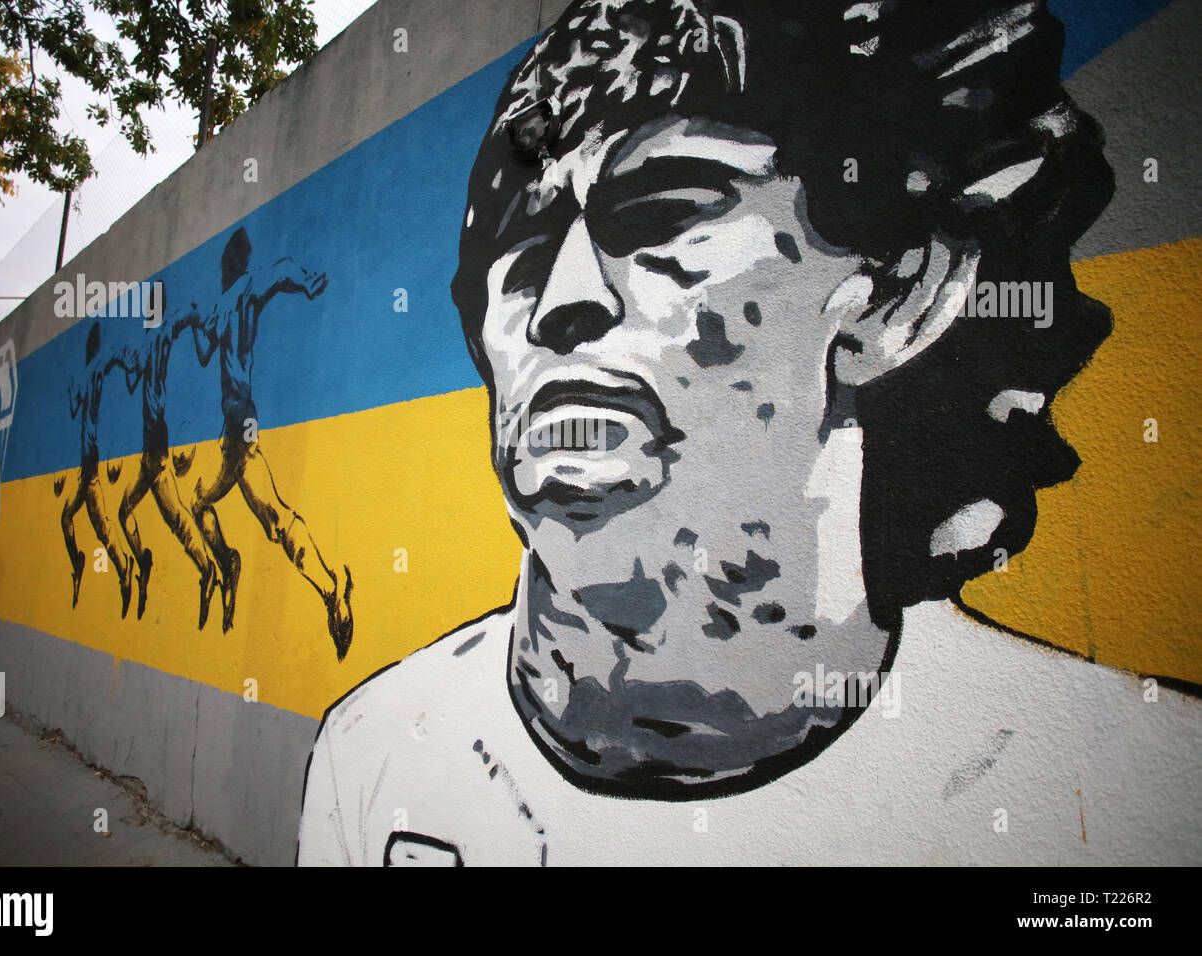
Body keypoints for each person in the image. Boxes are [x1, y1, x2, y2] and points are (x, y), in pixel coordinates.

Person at [299, 0, 1202, 865]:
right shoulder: (380, 755)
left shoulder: (1119, 787)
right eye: (524, 251)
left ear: (900, 293)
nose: (562, 302)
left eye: (661, 212)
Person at [185, 228, 354, 656]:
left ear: (230, 266)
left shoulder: (239, 289)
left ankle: (228, 563)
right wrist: (195, 322)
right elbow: (208, 352)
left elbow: (278, 273)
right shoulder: (229, 301)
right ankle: (332, 589)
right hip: (237, 427)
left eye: (226, 265)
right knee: (271, 519)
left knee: (204, 503)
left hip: (240, 419)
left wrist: (304, 278)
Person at [108, 312, 220, 628]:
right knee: (130, 511)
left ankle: (206, 568)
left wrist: (121, 358)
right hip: (150, 445)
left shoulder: (153, 339)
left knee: (176, 518)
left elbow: (132, 377)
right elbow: (135, 380)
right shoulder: (161, 336)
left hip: (156, 442)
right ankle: (145, 560)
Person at [61, 321, 134, 616]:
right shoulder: (98, 368)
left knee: (101, 528)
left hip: (89, 465)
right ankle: (81, 562)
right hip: (85, 464)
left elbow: (74, 406)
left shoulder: (89, 372)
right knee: (68, 516)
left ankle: (122, 567)